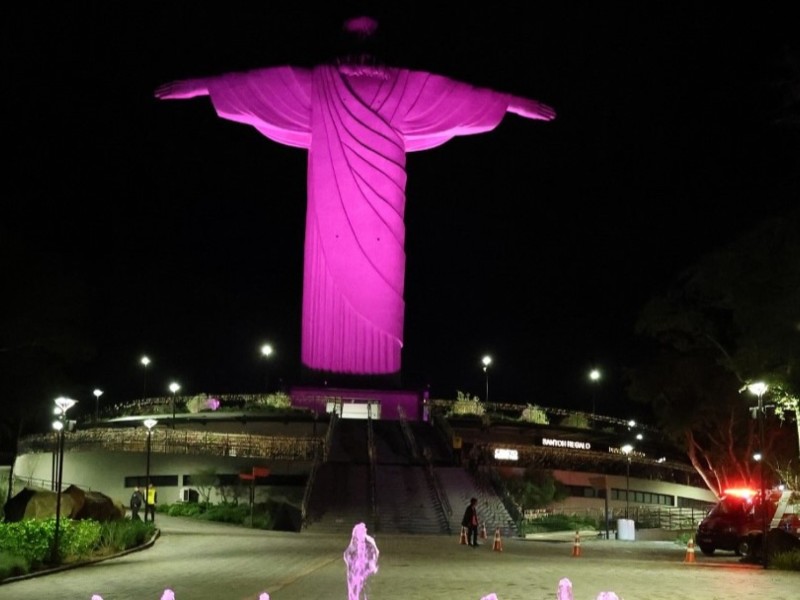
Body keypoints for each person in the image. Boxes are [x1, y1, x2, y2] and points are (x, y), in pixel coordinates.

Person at [154, 15, 555, 378]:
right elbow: (260, 86)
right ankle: (323, 371)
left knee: (381, 295)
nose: (363, 43)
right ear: (343, 42)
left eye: (368, 35)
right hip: (329, 207)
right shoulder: (320, 84)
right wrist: (205, 86)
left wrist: (510, 103)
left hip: (384, 213)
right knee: (327, 294)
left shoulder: (404, 85)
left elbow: (457, 97)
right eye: (356, 35)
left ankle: (381, 372)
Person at [343, 522, 379, 600]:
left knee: (362, 587)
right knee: (354, 588)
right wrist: (350, 564)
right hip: (355, 569)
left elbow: (375, 552)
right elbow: (347, 554)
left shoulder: (369, 541)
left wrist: (371, 564)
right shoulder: (354, 541)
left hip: (363, 568)